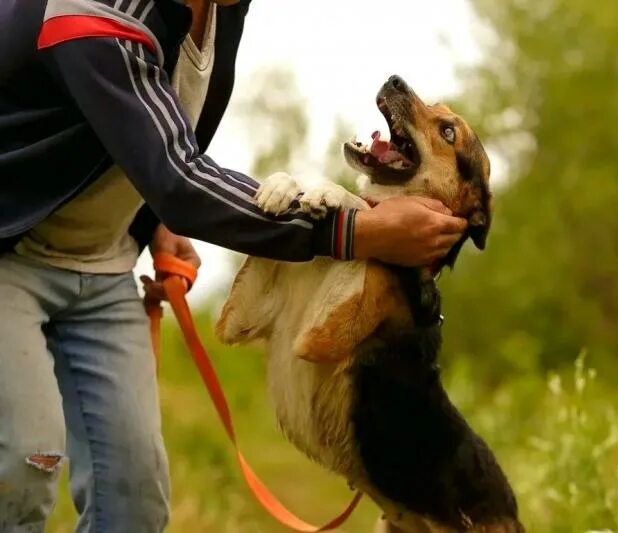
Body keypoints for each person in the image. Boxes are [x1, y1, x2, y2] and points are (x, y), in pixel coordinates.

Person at [0, 0, 468, 530]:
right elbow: (178, 177)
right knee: (22, 466)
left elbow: (155, 122)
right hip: (8, 251)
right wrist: (358, 231)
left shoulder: (225, 10)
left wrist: (148, 216)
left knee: (134, 500)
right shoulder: (91, 7)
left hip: (104, 266)